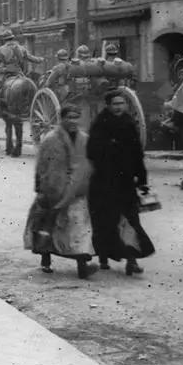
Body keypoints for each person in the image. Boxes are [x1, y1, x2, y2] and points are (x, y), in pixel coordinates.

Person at [23, 104, 97, 278]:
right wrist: (45, 189)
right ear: (61, 119)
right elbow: (43, 167)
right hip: (53, 189)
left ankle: (82, 265)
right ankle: (46, 259)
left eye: (76, 117)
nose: (72, 121)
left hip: (77, 190)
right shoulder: (51, 139)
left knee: (79, 228)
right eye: (69, 117)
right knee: (48, 225)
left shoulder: (84, 139)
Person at [87, 89, 154, 275]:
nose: (118, 107)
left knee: (131, 220)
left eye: (121, 103)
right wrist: (112, 148)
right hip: (103, 182)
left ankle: (131, 260)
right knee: (103, 221)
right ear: (108, 106)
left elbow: (137, 153)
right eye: (115, 104)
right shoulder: (100, 124)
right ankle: (102, 256)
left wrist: (142, 178)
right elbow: (92, 151)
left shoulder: (129, 123)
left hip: (125, 183)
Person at [0, 30, 43, 103]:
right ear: (12, 38)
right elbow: (30, 57)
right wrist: (40, 59)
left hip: (5, 72)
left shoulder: (1, 49)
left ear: (4, 39)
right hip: (18, 72)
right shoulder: (21, 48)